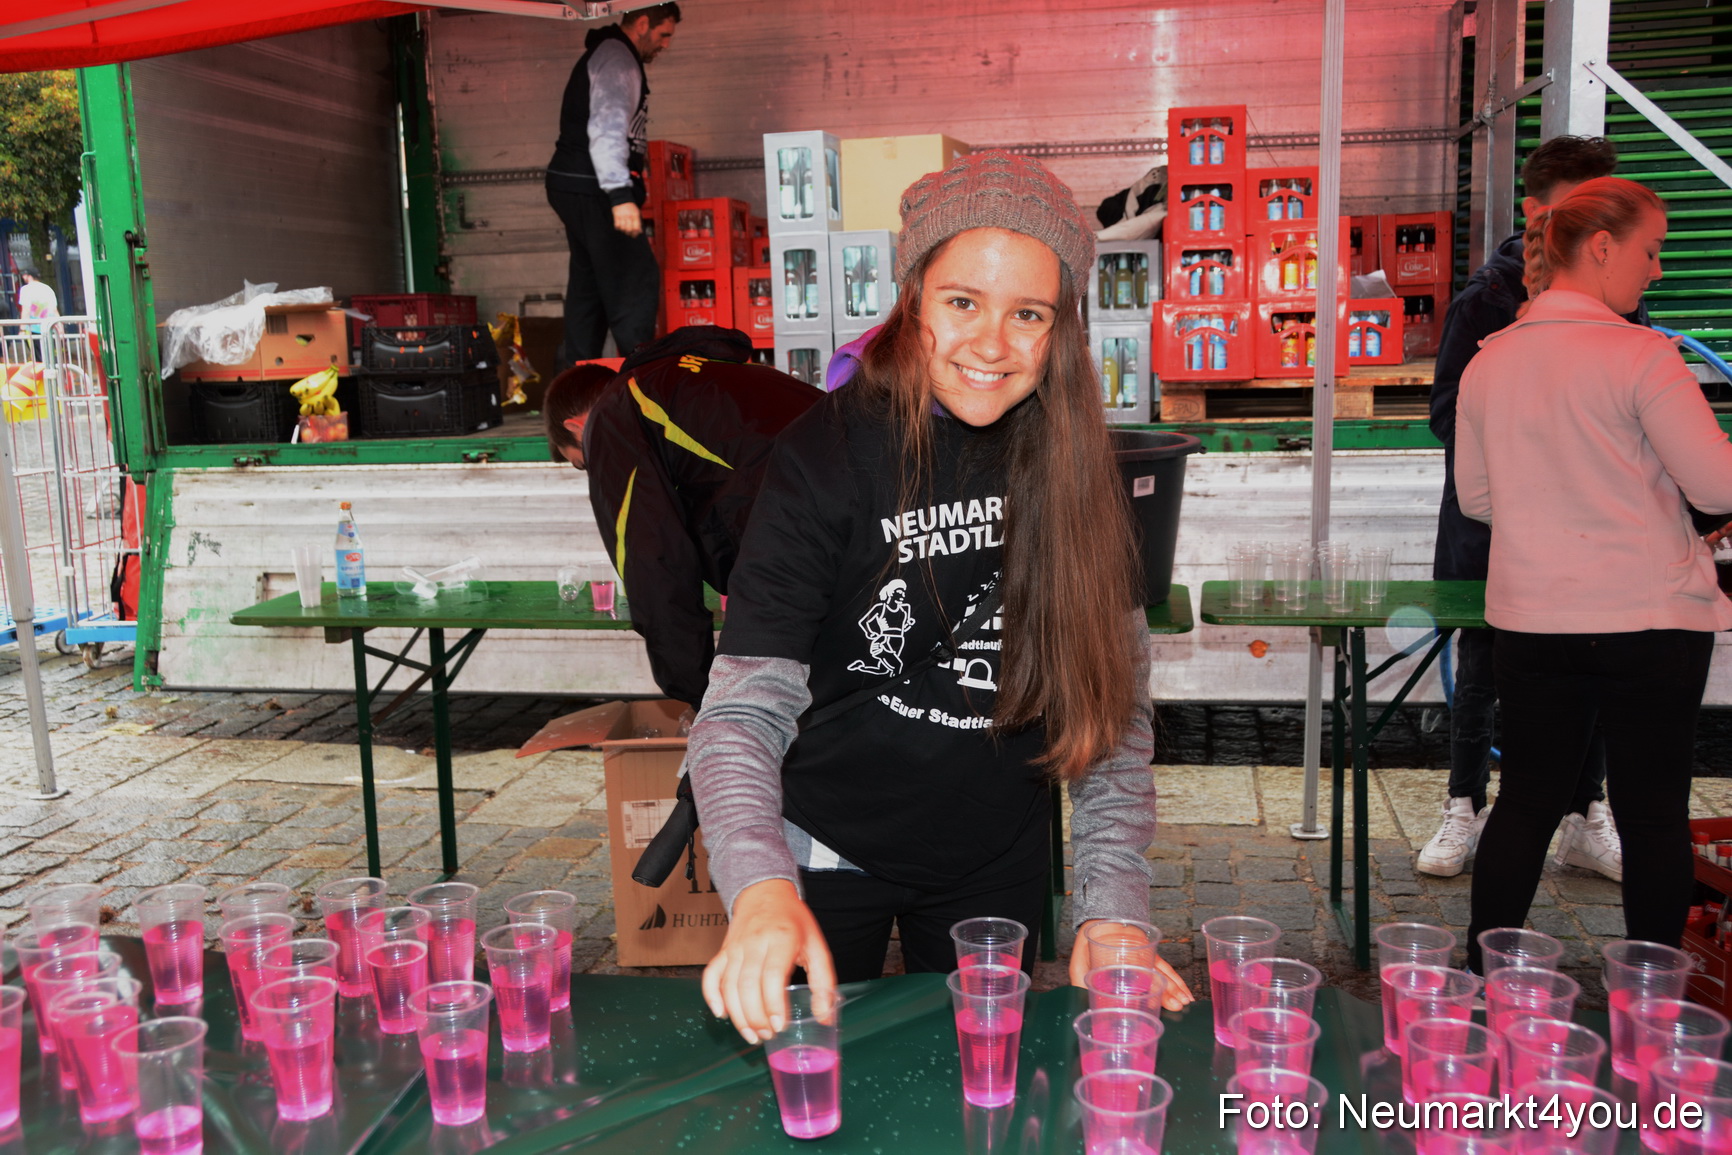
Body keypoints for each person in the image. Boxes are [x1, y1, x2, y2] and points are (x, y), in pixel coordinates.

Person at [686, 151, 1194, 1043]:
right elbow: (740, 711)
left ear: (1061, 330)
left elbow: (1112, 719)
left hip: (993, 854)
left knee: (985, 1081)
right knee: (807, 1079)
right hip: (823, 843)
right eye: (963, 301)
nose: (992, 344)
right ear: (912, 297)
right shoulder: (821, 456)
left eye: (1028, 313)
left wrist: (1112, 908)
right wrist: (760, 888)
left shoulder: (1082, 471)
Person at [1456, 176, 1732, 970]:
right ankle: (1650, 1001)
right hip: (1648, 620)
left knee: (1526, 803)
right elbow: (1717, 486)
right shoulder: (1641, 354)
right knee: (1652, 815)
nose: (1657, 270)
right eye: (1652, 251)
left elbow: (1478, 500)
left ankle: (1483, 979)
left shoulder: (1489, 363)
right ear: (1604, 247)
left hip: (1533, 618)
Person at [1421, 136, 1633, 882]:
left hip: (1587, 531)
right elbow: (1445, 415)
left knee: (1590, 668)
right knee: (1481, 670)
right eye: (1586, 207)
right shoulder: (1486, 299)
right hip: (1492, 535)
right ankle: (1463, 806)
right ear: (1538, 210)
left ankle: (1585, 814)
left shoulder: (1621, 295)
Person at [545, 325, 817, 709]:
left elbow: (653, 562)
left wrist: (700, 695)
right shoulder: (704, 375)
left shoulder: (614, 412)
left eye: (584, 462)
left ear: (577, 427)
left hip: (811, 535)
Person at [544, 3, 680, 373]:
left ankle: (578, 382)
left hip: (577, 185)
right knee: (635, 280)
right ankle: (640, 379)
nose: (666, 45)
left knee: (589, 289)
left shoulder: (611, 53)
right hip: (595, 188)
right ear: (642, 23)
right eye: (663, 34)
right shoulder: (618, 59)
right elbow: (607, 127)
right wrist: (620, 195)